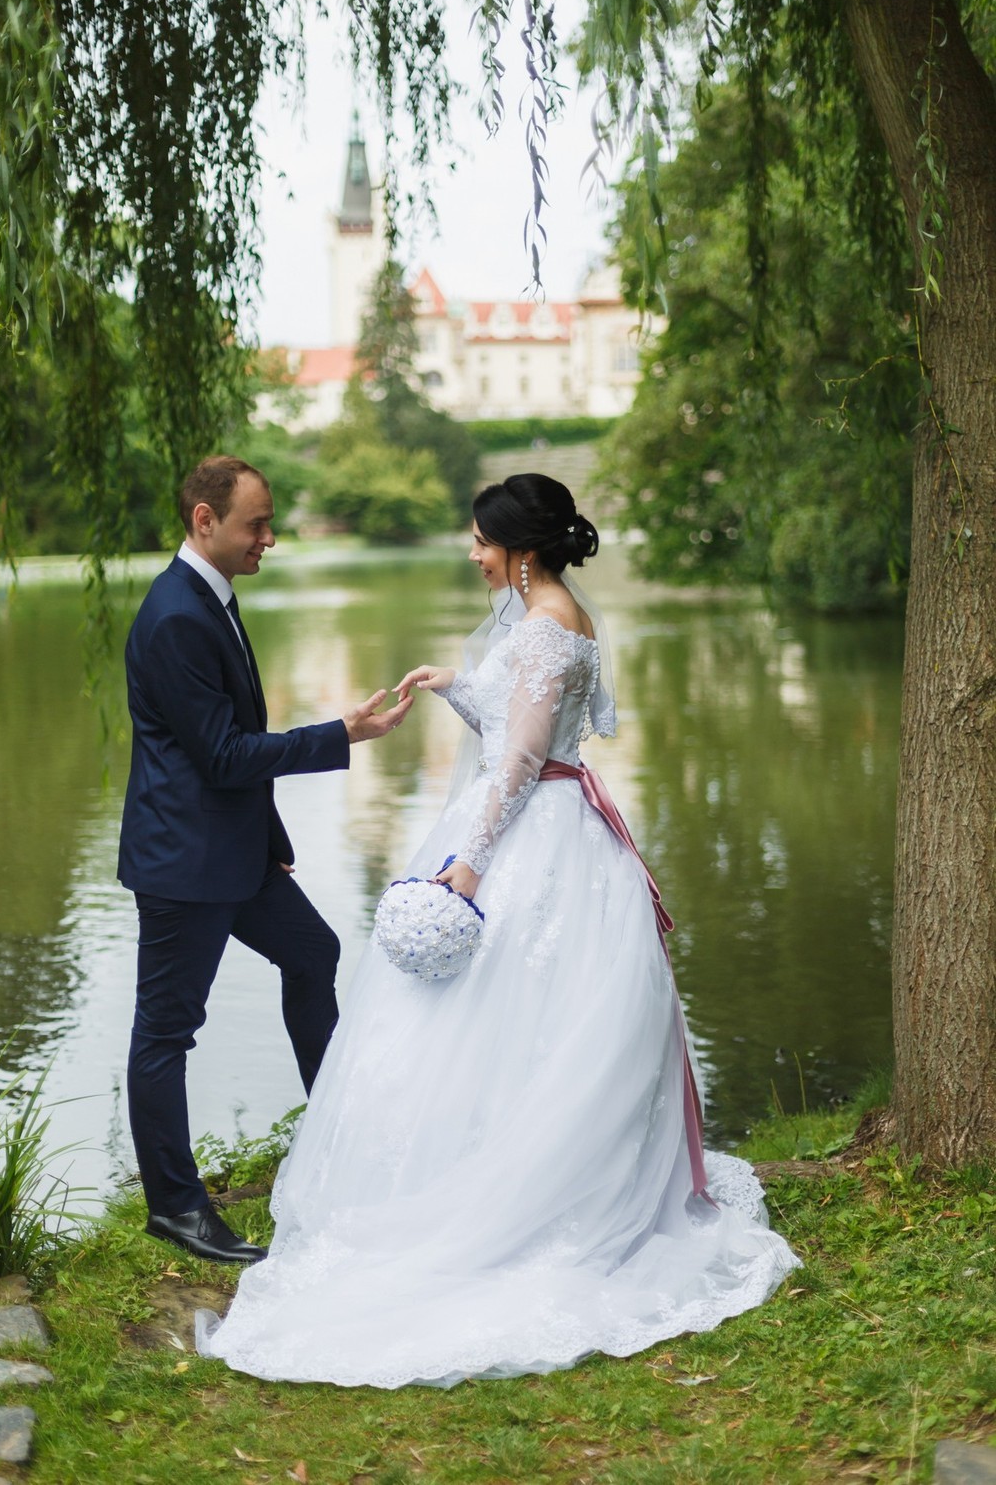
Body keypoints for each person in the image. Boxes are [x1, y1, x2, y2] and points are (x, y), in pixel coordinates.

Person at [198, 473, 799, 1384]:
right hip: (553, 823)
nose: (472, 554)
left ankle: (512, 1198)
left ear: (520, 549)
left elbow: (521, 759)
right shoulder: (555, 612)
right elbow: (530, 730)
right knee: (521, 1022)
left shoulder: (550, 625)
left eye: (481, 541)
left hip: (530, 837)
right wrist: (455, 685)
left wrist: (470, 863)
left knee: (504, 1015)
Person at [118, 455, 412, 1265]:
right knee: (165, 1031)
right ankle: (176, 1208)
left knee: (313, 952)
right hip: (185, 862)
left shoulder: (210, 596)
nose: (269, 538)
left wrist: (272, 843)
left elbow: (220, 745)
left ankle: (337, 1138)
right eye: (256, 523)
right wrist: (338, 735)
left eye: (270, 521)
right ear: (205, 521)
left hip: (234, 851)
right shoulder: (178, 615)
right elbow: (219, 753)